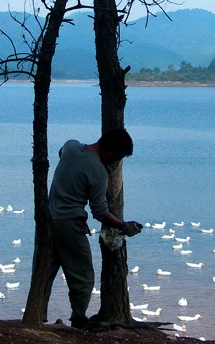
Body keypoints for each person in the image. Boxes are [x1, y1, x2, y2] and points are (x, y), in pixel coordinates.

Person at [41, 128, 143, 329]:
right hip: (70, 224)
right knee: (83, 274)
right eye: (118, 158)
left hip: (48, 219)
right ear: (111, 151)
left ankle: (37, 315)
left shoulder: (70, 146)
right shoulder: (98, 172)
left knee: (45, 270)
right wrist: (124, 226)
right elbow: (100, 212)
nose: (115, 163)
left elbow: (61, 153)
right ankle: (79, 319)